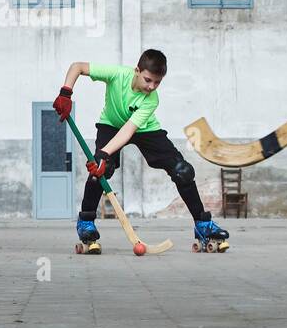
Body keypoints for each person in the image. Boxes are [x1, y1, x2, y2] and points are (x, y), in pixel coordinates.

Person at [53, 49, 229, 252]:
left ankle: (203, 225)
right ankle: (86, 223)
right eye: (147, 80)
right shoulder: (117, 74)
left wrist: (102, 153)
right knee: (102, 169)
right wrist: (66, 92)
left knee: (183, 171)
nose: (151, 87)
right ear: (137, 70)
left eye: (157, 83)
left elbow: (128, 130)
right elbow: (78, 67)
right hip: (110, 124)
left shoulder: (151, 99)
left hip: (144, 129)